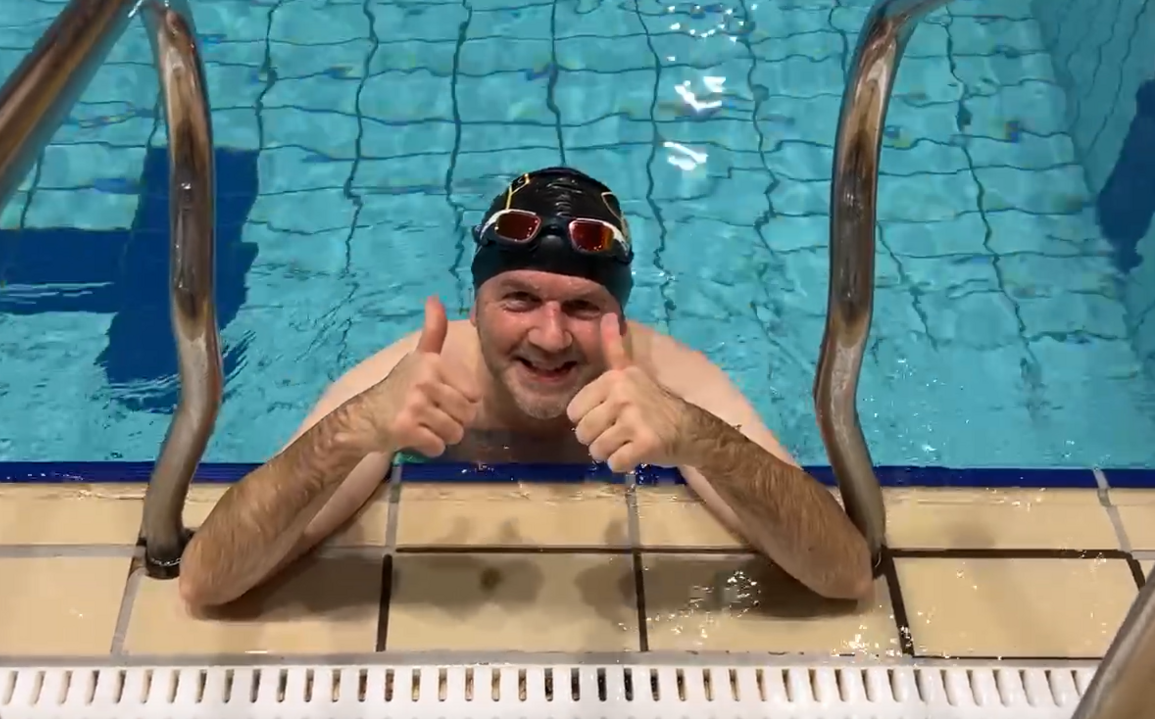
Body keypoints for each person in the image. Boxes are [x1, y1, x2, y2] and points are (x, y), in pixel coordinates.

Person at [178, 167, 873, 610]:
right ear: (474, 300)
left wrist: (701, 438)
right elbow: (207, 579)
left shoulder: (669, 378)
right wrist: (355, 429)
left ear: (618, 315)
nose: (548, 337)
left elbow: (844, 573)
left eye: (581, 307)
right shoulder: (413, 375)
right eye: (519, 298)